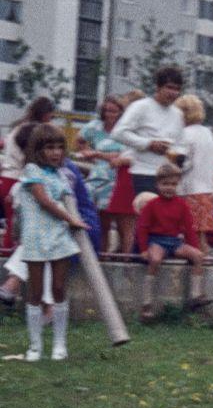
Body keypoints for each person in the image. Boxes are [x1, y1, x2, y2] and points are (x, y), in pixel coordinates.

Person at [18, 124, 86, 362]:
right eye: (49, 147)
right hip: (35, 238)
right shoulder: (31, 169)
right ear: (38, 149)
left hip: (59, 237)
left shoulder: (60, 175)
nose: (56, 152)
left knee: (58, 288)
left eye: (59, 147)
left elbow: (68, 200)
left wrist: (75, 220)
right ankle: (35, 346)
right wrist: (71, 219)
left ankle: (60, 344)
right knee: (35, 292)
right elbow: (44, 201)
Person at [135, 162, 209, 320]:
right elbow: (142, 227)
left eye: (173, 184)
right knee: (154, 260)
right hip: (157, 241)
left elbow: (189, 228)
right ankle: (146, 304)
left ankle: (196, 296)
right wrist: (143, 249)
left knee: (198, 256)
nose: (169, 188)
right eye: (165, 184)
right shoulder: (151, 205)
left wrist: (194, 247)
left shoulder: (181, 205)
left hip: (174, 241)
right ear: (157, 185)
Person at [112, 65, 185, 196]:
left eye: (177, 89)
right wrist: (149, 144)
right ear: (158, 87)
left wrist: (177, 154)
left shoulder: (178, 114)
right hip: (144, 173)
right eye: (169, 87)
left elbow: (180, 144)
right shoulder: (141, 107)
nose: (173, 93)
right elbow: (118, 133)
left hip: (168, 177)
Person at [76, 96, 136, 253]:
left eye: (114, 111)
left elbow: (125, 155)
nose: (110, 114)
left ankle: (125, 256)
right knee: (102, 221)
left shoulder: (125, 130)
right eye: (107, 110)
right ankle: (102, 253)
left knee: (123, 221)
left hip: (119, 175)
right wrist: (85, 151)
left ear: (121, 112)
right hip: (99, 174)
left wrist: (97, 153)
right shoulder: (96, 126)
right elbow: (80, 139)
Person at [2, 97, 56, 251]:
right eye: (50, 116)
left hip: (7, 176)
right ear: (45, 114)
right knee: (19, 222)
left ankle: (8, 253)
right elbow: (31, 157)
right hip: (17, 178)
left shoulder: (18, 127)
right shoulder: (33, 130)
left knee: (12, 221)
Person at [175, 94, 213, 255]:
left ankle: (199, 268)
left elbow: (183, 162)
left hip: (189, 189)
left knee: (191, 235)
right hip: (206, 189)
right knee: (201, 235)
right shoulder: (208, 133)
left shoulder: (185, 134)